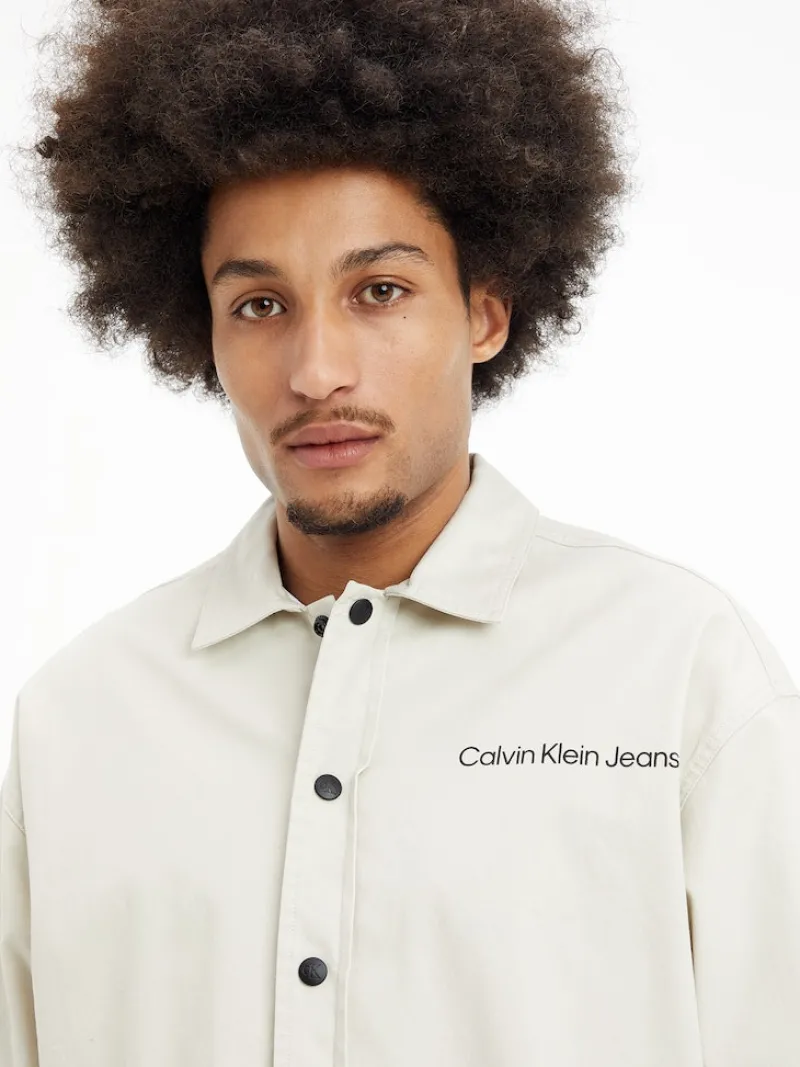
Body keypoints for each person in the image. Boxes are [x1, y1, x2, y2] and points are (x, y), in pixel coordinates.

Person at [1, 0, 798, 1064]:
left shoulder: (681, 676)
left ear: (484, 311)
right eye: (258, 305)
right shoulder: (76, 723)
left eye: (378, 290)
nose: (316, 370)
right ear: (200, 330)